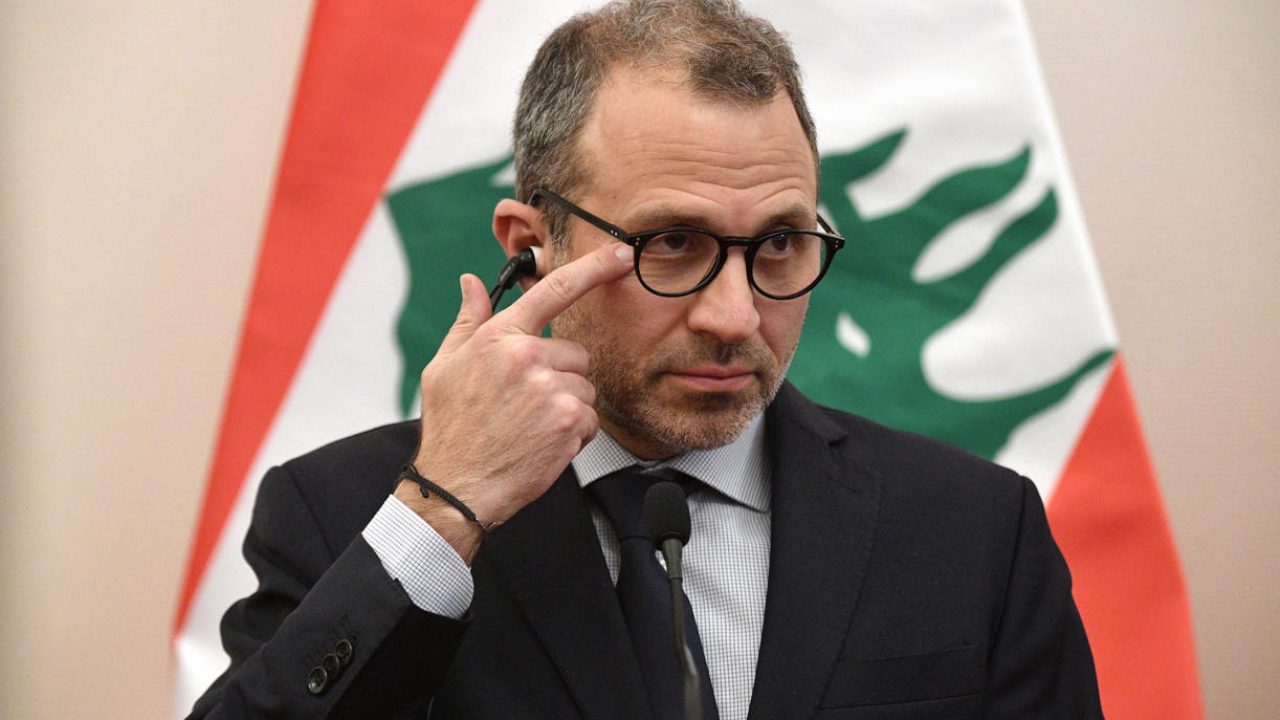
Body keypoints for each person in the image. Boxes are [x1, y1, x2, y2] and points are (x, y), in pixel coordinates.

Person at [188, 1, 1103, 718]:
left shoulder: (975, 530)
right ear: (531, 244)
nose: (736, 315)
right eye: (672, 243)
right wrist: (444, 515)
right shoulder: (345, 515)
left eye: (780, 244)